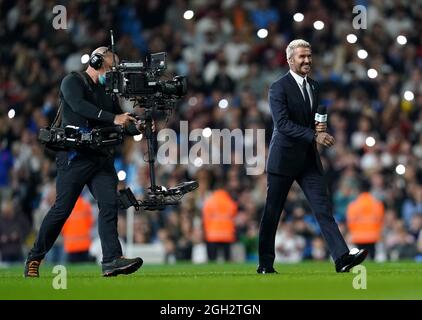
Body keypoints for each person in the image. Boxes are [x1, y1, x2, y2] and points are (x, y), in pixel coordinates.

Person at [24, 47, 145, 277]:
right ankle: (35, 257)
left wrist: (135, 125)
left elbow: (120, 120)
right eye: (110, 68)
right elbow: (80, 107)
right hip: (74, 156)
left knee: (109, 204)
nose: (112, 73)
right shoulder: (72, 81)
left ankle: (111, 260)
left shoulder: (108, 92)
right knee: (62, 210)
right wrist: (114, 118)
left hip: (100, 157)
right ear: (97, 61)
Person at [257, 39, 368, 274]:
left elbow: (314, 119)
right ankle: (265, 264)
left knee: (323, 209)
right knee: (272, 213)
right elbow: (283, 124)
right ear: (289, 60)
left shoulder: (314, 86)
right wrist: (314, 136)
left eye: (309, 55)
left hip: (308, 159)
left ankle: (341, 258)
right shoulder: (278, 87)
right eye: (301, 57)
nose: (307, 60)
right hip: (283, 160)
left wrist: (320, 130)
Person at [346, 179, 384, 259]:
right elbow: (380, 220)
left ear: (359, 189)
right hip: (373, 236)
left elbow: (350, 222)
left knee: (360, 258)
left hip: (358, 236)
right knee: (372, 257)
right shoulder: (377, 204)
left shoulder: (353, 205)